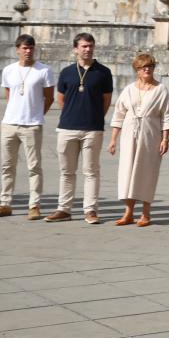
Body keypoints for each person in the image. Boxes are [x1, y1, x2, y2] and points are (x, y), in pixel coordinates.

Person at [107, 53, 169, 227]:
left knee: (147, 171)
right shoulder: (129, 89)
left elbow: (167, 116)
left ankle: (146, 213)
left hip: (150, 134)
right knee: (127, 171)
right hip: (129, 133)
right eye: (143, 67)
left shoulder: (160, 90)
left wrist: (165, 139)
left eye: (150, 66)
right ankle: (128, 212)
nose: (147, 69)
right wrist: (113, 139)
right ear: (137, 70)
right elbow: (119, 114)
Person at [53, 33, 113, 224]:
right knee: (67, 171)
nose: (88, 49)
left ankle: (90, 210)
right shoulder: (67, 72)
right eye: (84, 46)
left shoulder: (103, 72)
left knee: (91, 171)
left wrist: (94, 117)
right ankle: (64, 209)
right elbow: (60, 99)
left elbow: (106, 100)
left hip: (92, 128)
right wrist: (72, 113)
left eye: (90, 46)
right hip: (67, 127)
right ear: (75, 49)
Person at [0, 35, 54, 219]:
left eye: (31, 48)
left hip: (32, 124)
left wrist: (37, 113)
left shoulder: (44, 70)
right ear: (17, 49)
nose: (28, 51)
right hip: (9, 123)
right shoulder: (9, 70)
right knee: (7, 165)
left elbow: (49, 97)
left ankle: (34, 205)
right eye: (25, 48)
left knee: (34, 166)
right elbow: (9, 94)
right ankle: (5, 203)